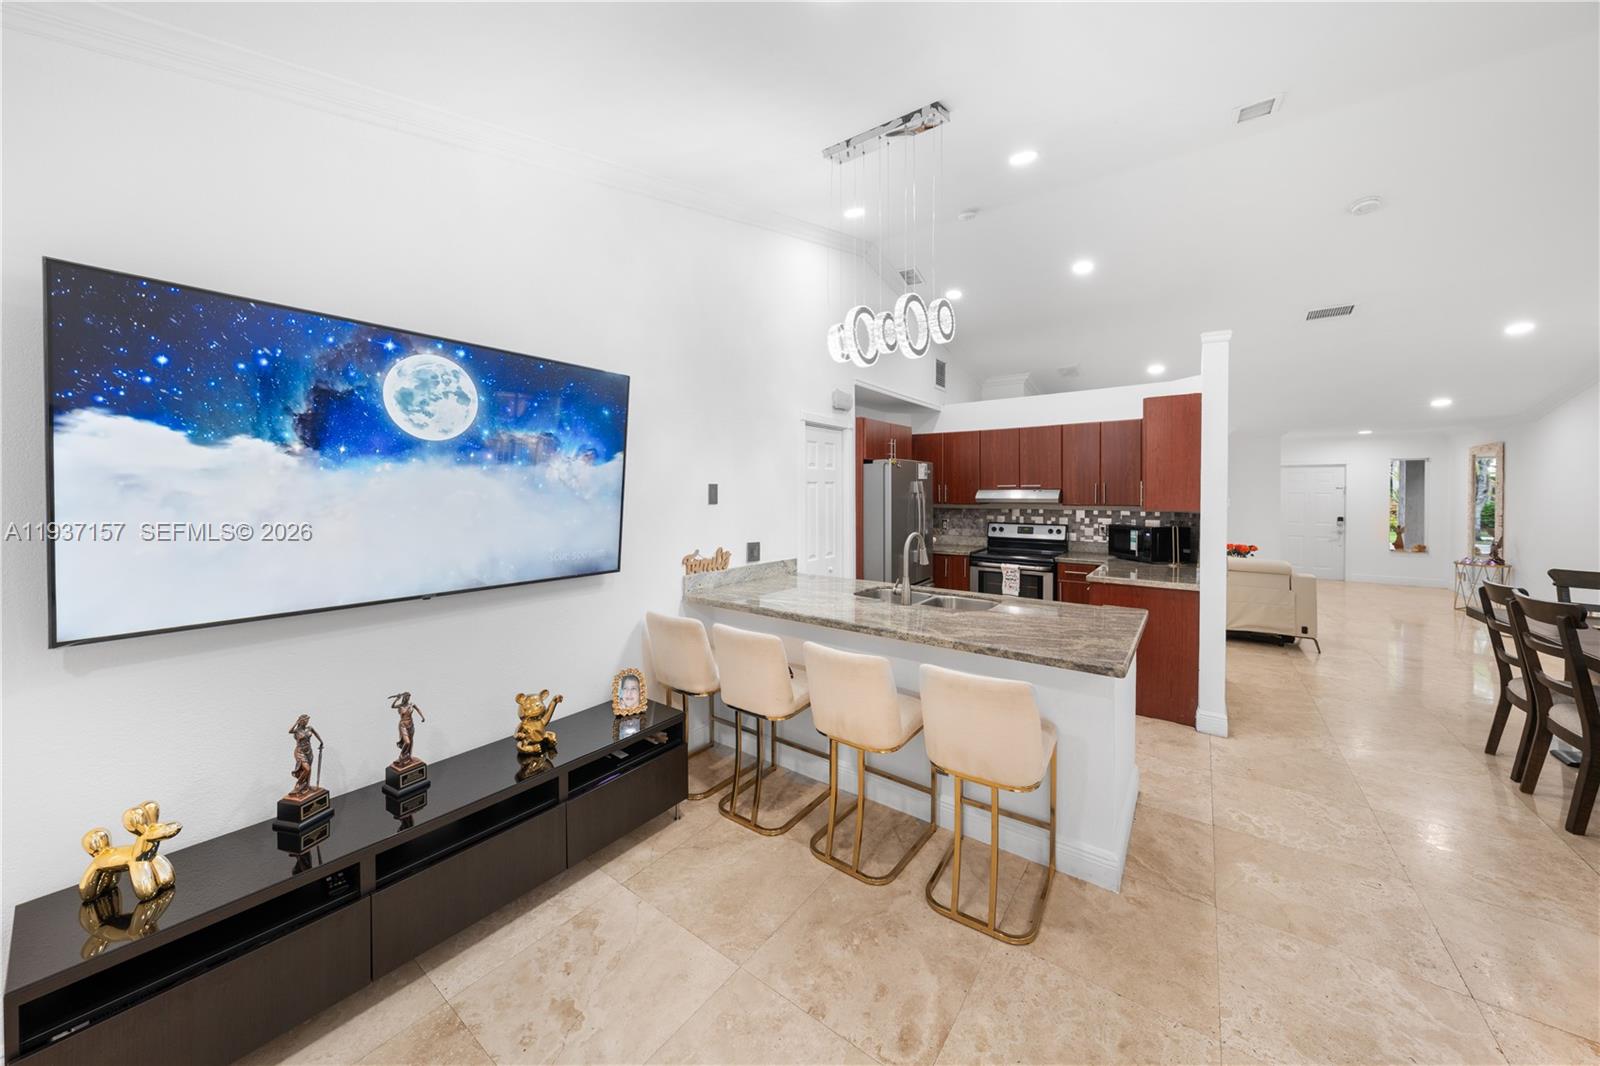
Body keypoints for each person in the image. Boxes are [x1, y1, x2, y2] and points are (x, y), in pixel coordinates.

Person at [287, 714, 323, 796]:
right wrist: (296, 722)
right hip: (300, 752)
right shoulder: (297, 730)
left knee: (309, 770)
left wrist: (321, 742)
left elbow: (316, 734)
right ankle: (298, 784)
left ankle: (307, 786)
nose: (307, 722)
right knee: (307, 769)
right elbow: (290, 731)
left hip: (309, 751)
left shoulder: (309, 728)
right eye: (305, 720)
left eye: (308, 720)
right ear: (301, 721)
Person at [388, 692, 426, 764]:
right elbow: (392, 706)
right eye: (406, 697)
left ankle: (409, 756)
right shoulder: (400, 706)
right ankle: (401, 756)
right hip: (403, 725)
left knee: (411, 741)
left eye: (409, 697)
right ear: (404, 698)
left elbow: (418, 709)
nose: (408, 699)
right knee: (407, 742)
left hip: (411, 725)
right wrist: (397, 699)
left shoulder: (411, 704)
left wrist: (422, 717)